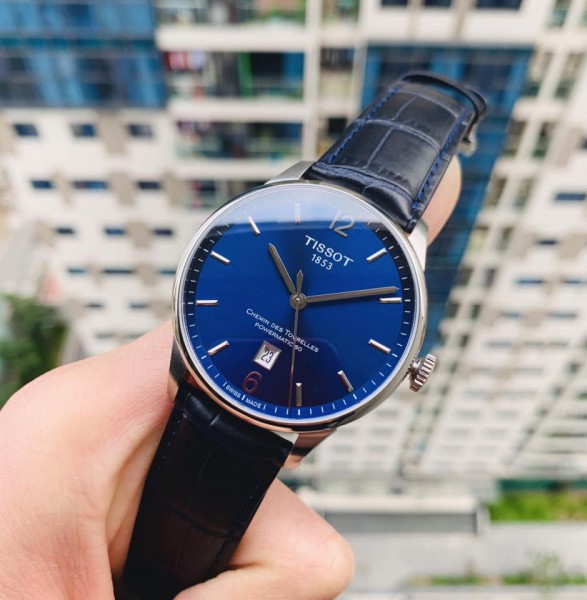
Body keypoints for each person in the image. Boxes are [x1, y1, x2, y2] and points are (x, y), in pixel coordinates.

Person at [0, 160, 461, 599]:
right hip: (211, 380)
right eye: (295, 294)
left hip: (264, 406)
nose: (297, 301)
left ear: (410, 367)